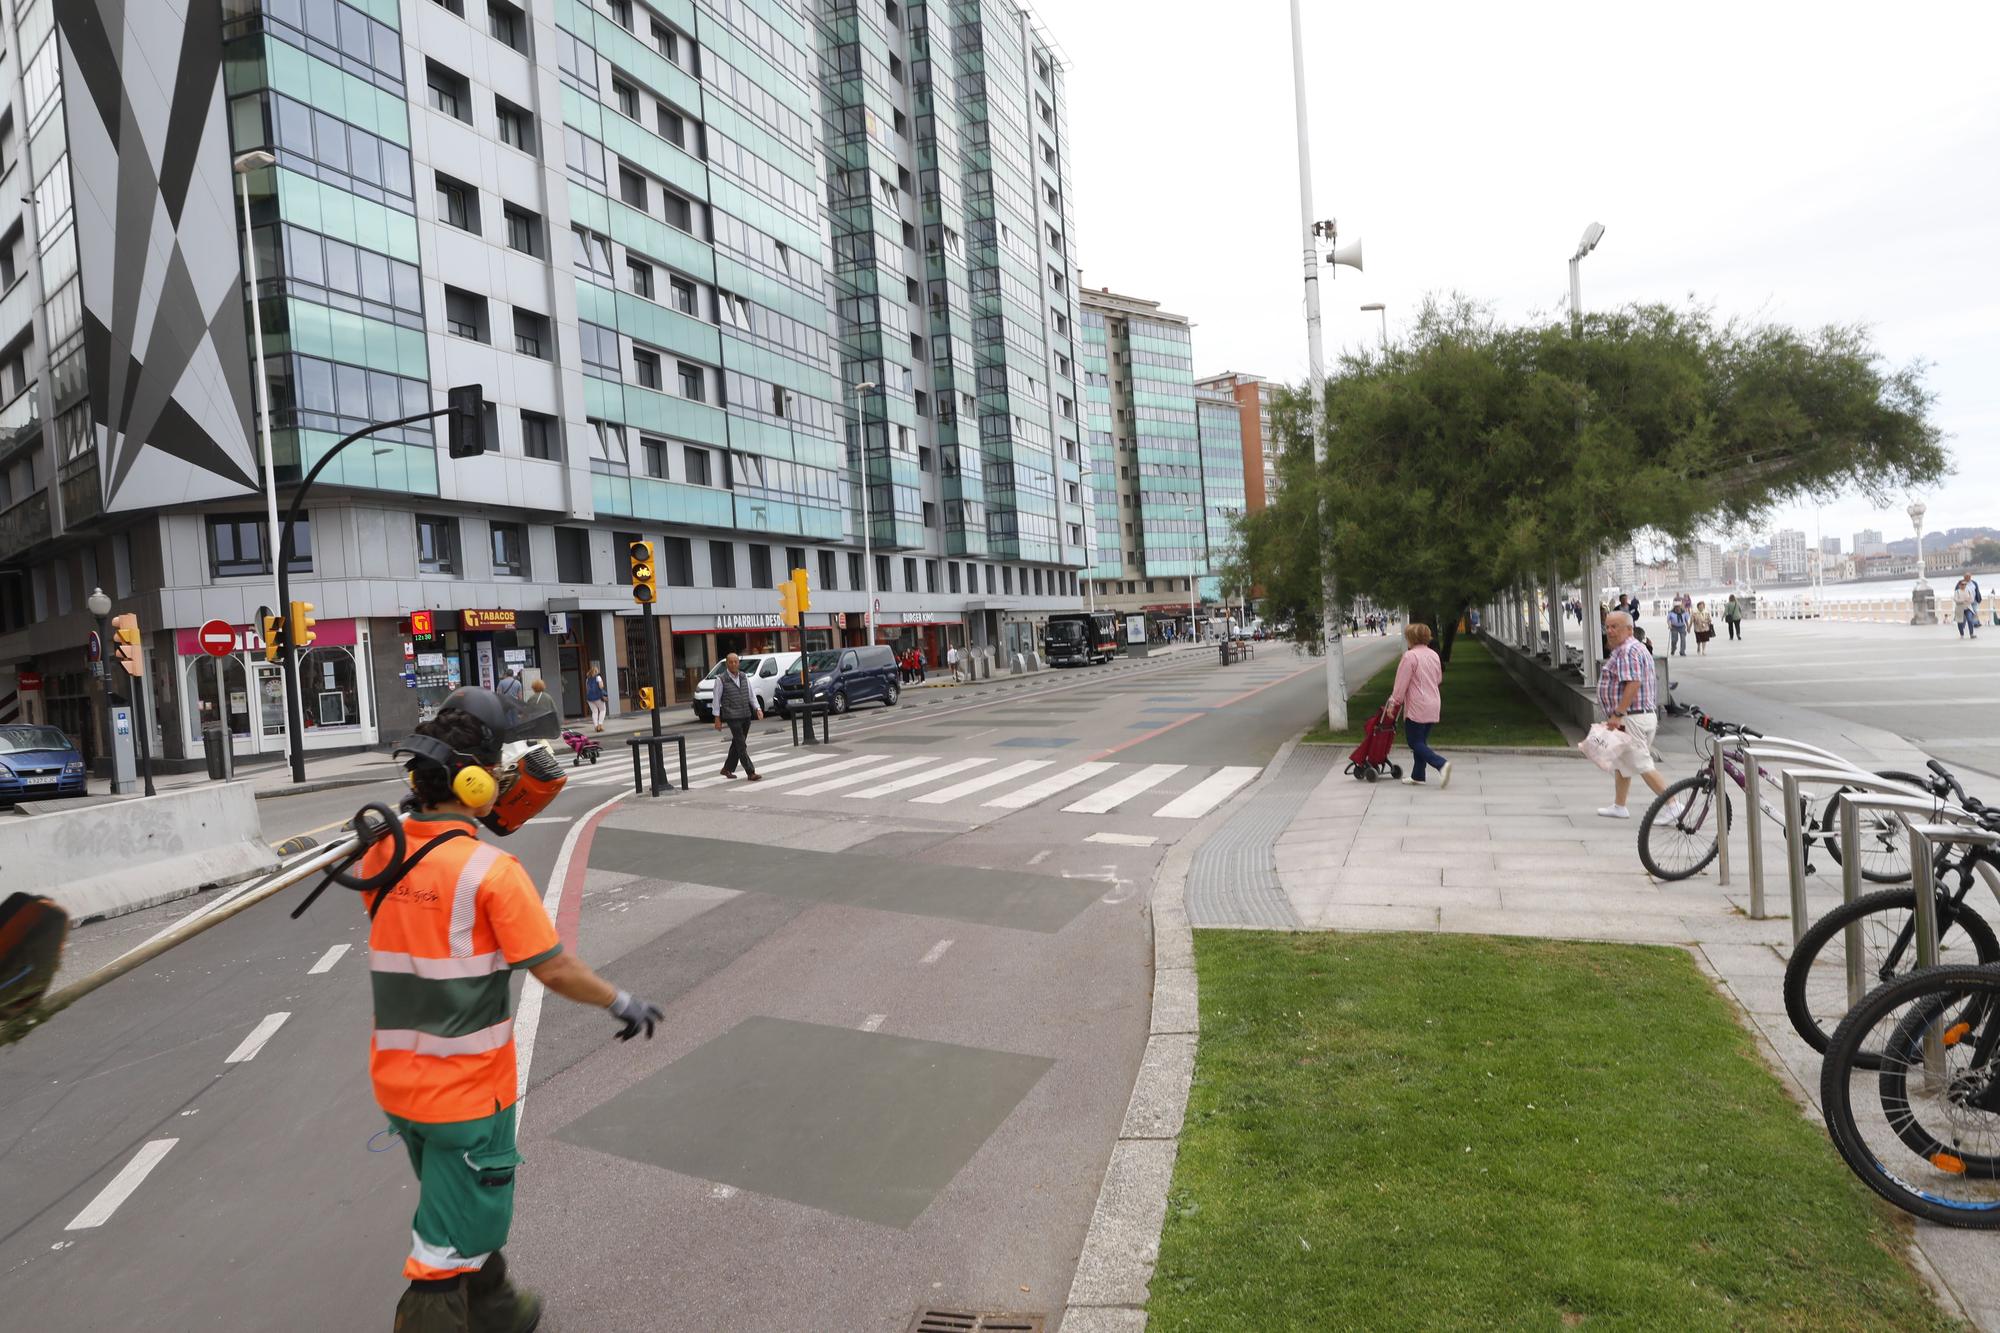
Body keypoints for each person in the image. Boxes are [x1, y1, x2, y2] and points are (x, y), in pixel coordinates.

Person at [362, 689, 663, 1331]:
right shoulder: (489, 872)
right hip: (467, 1095)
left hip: (399, 1084)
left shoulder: (380, 854)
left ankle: (497, 1308)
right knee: (443, 1247)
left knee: (459, 1205)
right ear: (473, 783)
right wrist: (621, 1000)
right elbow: (551, 967)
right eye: (497, 770)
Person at [1595, 610, 1674, 819]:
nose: (1610, 631)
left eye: (1615, 627)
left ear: (1629, 629)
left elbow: (1633, 682)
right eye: (1608, 626)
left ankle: (1673, 805)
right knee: (1623, 762)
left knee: (1642, 764)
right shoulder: (1634, 648)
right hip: (1641, 716)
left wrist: (1618, 713)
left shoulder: (1627, 651)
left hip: (1632, 717)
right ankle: (1619, 806)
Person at [1385, 622, 1451, 788]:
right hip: (1434, 702)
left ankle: (1441, 764)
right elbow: (1438, 679)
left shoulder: (1410, 657)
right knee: (1421, 741)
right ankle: (1418, 775)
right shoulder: (1434, 655)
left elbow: (1401, 684)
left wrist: (1393, 704)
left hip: (1417, 705)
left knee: (1414, 742)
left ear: (1411, 639)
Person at [714, 651, 763, 781]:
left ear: (739, 663)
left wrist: (757, 708)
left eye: (736, 662)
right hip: (732, 716)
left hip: (746, 714)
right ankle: (750, 772)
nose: (733, 664)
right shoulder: (721, 679)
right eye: (731, 662)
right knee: (741, 745)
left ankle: (726, 768)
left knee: (737, 743)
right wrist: (717, 718)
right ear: (727, 664)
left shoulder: (744, 677)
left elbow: (751, 695)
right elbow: (716, 700)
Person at [584, 663, 607, 733]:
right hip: (597, 697)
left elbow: (587, 688)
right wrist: (602, 683)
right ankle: (600, 725)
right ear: (596, 671)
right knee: (603, 710)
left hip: (589, 698)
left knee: (594, 712)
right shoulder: (598, 677)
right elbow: (601, 686)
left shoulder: (587, 679)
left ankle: (596, 726)